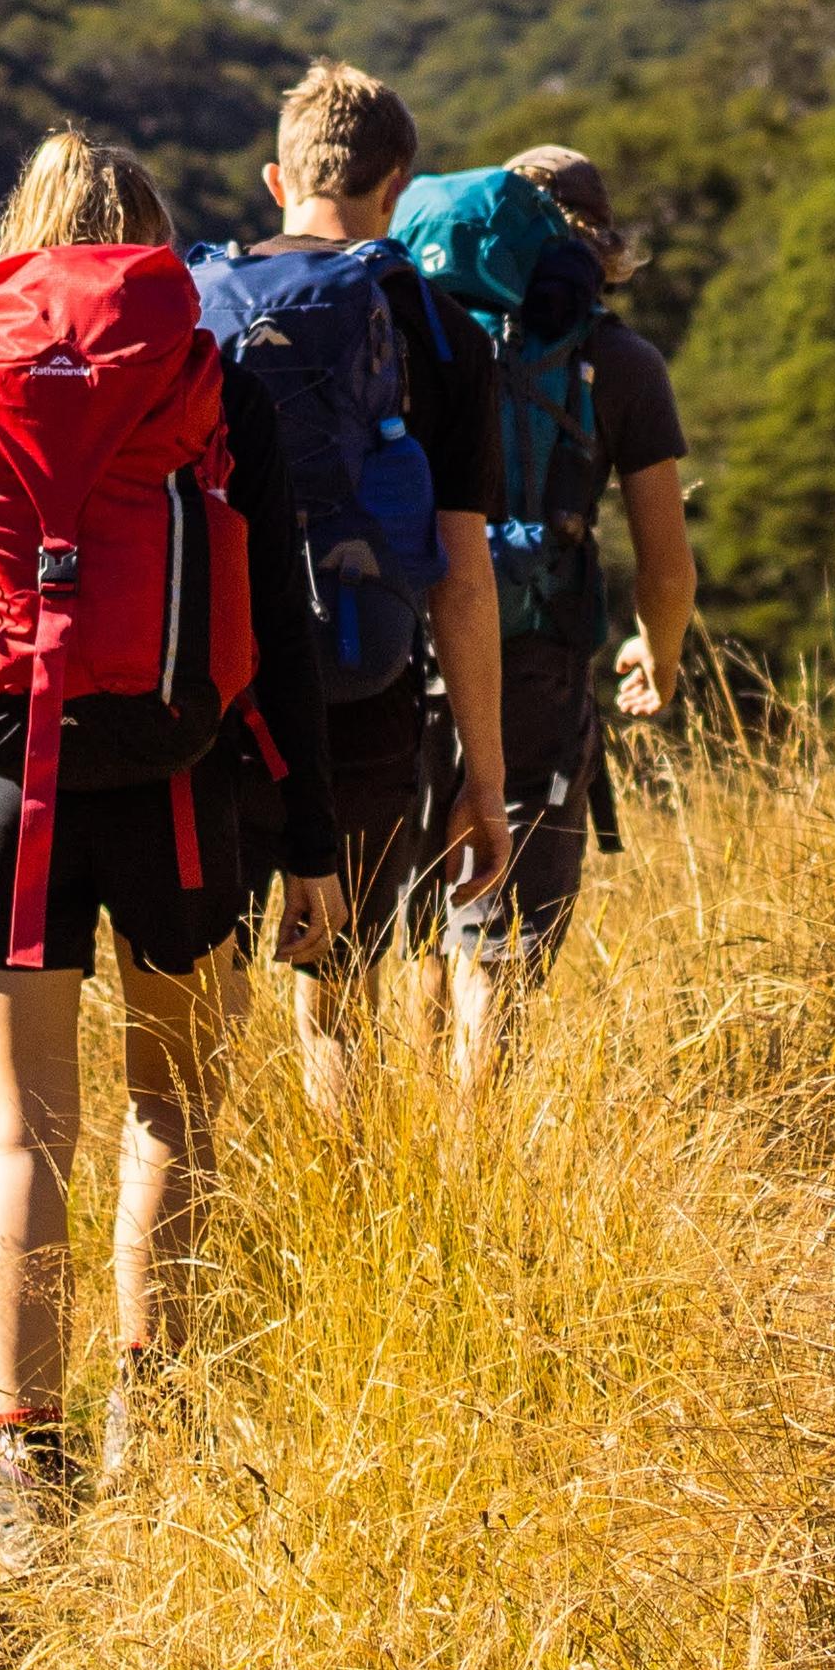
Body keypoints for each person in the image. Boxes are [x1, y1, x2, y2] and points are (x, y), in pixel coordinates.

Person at [0, 130, 342, 1578]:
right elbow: (287, 625)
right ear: (151, 239)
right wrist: (308, 835)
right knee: (177, 1114)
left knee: (24, 1136)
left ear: (20, 231)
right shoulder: (211, 374)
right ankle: (157, 1415)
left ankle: (27, 1471)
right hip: (184, 786)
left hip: (5, 790)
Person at [191, 61, 513, 1119]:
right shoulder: (439, 331)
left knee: (205, 993)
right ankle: (346, 1233)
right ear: (399, 183)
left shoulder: (195, 313)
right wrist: (482, 774)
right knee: (339, 992)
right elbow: (462, 576)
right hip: (360, 685)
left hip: (210, 688)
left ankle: (204, 1228)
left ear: (278, 178)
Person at [412, 145, 695, 1082]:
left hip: (406, 653)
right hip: (533, 658)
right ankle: (472, 1182)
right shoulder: (620, 361)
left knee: (413, 920)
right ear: (602, 249)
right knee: (496, 943)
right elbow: (666, 563)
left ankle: (383, 1179)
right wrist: (660, 655)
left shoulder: (424, 327)